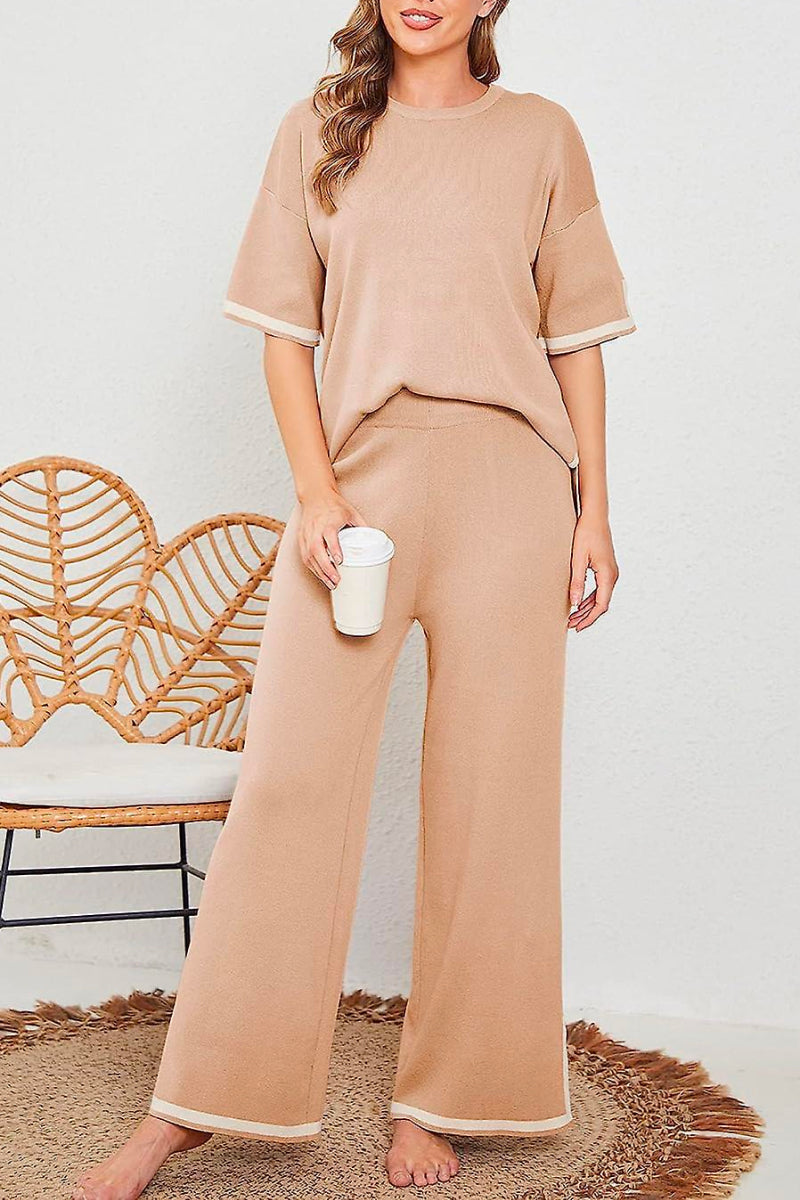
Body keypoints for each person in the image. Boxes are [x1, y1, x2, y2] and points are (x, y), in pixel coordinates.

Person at [73, 1, 635, 1195]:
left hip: (511, 485)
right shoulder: (319, 128)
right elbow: (285, 338)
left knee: (492, 796)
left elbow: (575, 335)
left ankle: (444, 1097)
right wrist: (315, 494)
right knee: (289, 781)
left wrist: (591, 508)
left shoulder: (540, 135)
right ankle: (196, 1103)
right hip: (358, 483)